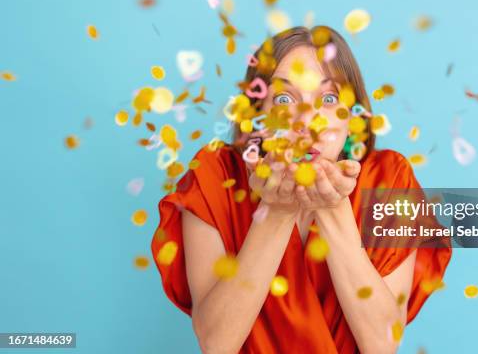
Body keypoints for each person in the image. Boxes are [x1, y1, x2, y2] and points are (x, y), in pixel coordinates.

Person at [151, 25, 452, 353]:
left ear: (351, 118)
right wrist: (276, 213)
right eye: (283, 98)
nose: (308, 120)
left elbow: (383, 345)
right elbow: (216, 344)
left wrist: (332, 206)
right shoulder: (215, 176)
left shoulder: (391, 180)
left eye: (328, 98)